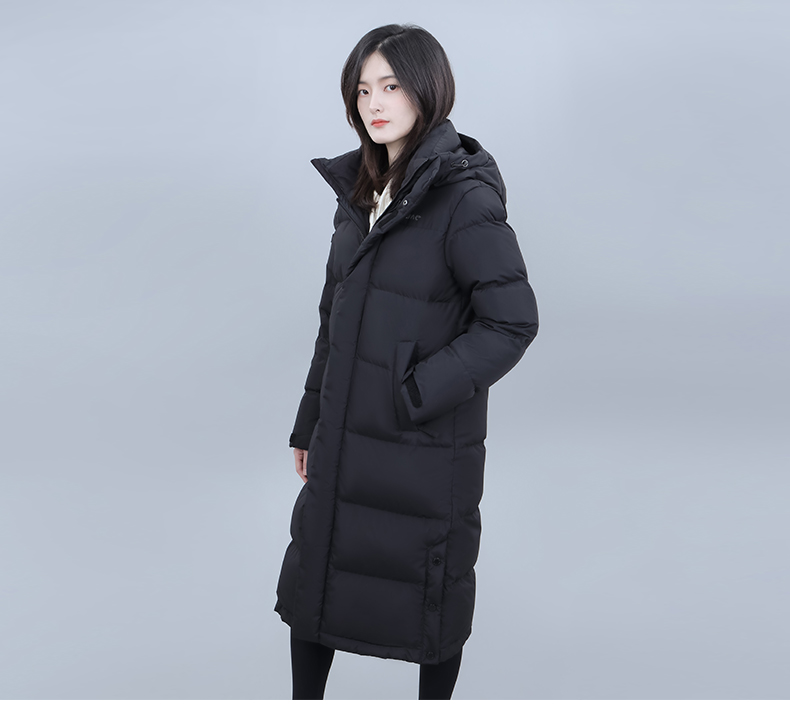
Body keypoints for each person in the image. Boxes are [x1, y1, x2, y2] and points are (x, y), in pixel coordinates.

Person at [274, 23, 539, 700]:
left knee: (430, 594)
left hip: (423, 443)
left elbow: (512, 320)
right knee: (316, 577)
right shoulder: (358, 195)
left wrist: (416, 392)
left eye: (390, 86)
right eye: (363, 89)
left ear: (428, 88)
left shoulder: (464, 196)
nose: (374, 103)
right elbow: (333, 322)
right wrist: (309, 423)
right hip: (343, 435)